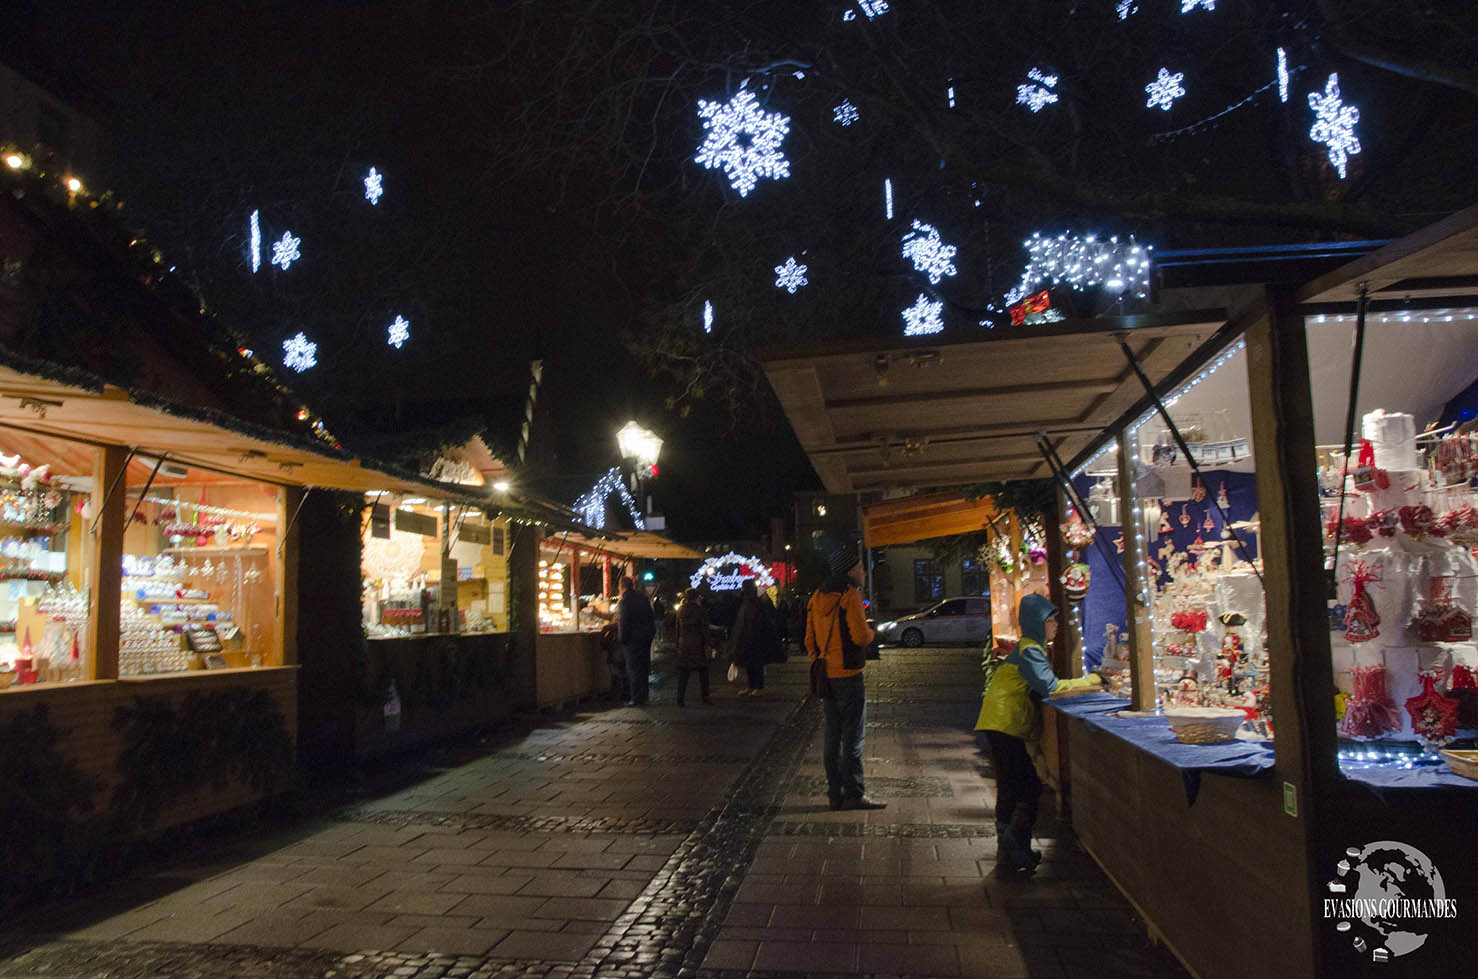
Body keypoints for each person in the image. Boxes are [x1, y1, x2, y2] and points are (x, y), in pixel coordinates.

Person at [975, 593, 1102, 872]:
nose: (1055, 624)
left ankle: (1012, 848)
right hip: (1004, 723)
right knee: (1025, 785)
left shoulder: (1030, 647)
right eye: (1050, 619)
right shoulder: (1031, 649)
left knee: (1016, 785)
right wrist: (1093, 680)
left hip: (1001, 723)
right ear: (1036, 622)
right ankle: (1011, 848)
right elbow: (1051, 687)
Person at [806, 547, 885, 811]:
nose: (864, 571)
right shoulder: (850, 597)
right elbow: (861, 637)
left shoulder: (817, 597)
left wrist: (821, 657)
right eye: (861, 567)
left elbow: (809, 639)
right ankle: (855, 793)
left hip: (827, 674)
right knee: (853, 737)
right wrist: (872, 633)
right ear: (850, 571)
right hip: (849, 675)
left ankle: (834, 793)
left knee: (832, 735)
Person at [617, 575, 655, 705]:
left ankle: (636, 698)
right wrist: (650, 635)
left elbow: (623, 621)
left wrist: (622, 639)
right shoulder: (643, 598)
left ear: (621, 587)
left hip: (632, 640)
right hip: (645, 638)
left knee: (633, 669)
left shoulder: (625, 601)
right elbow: (651, 618)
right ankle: (644, 695)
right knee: (643, 668)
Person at [673, 588, 713, 706]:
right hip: (697, 645)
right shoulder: (700, 611)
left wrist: (677, 644)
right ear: (696, 597)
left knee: (683, 673)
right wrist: (708, 644)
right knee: (703, 672)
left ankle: (680, 698)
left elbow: (677, 629)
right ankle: (705, 697)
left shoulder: (681, 610)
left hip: (684, 645)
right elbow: (704, 630)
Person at [729, 580, 766, 697]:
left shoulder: (754, 603)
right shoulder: (747, 602)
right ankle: (751, 686)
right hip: (747, 638)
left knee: (756, 664)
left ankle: (757, 687)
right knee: (749, 664)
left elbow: (754, 622)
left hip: (754, 638)